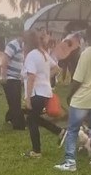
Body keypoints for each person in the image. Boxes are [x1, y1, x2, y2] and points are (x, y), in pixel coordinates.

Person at [53, 26, 91, 171]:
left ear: (87, 38)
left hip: (81, 98)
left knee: (73, 129)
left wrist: (69, 95)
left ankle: (70, 162)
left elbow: (77, 80)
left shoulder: (86, 54)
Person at [22, 30, 63, 158]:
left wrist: (28, 98)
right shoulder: (43, 54)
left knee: (31, 120)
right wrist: (45, 78)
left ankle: (36, 151)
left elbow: (31, 77)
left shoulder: (31, 55)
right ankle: (59, 131)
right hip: (45, 91)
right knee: (34, 118)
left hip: (36, 92)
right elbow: (57, 68)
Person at [2, 33, 25, 130]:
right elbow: (5, 60)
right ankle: (18, 125)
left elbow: (21, 62)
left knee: (15, 100)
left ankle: (9, 117)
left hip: (17, 78)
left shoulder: (22, 46)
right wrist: (3, 76)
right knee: (14, 101)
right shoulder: (12, 45)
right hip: (10, 77)